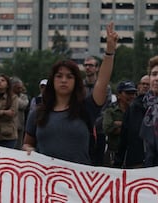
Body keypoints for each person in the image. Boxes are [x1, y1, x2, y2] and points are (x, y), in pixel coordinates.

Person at [22, 22, 118, 165]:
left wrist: (109, 52)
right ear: (52, 80)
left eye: (69, 76)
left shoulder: (86, 109)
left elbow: (102, 82)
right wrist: (28, 150)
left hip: (77, 182)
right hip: (45, 181)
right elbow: (27, 144)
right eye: (59, 76)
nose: (64, 80)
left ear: (76, 81)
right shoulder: (37, 113)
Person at [102, 80, 137, 167]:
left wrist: (118, 124)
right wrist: (127, 127)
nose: (131, 96)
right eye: (128, 93)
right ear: (119, 95)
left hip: (132, 154)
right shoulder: (110, 110)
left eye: (133, 93)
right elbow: (107, 128)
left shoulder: (137, 111)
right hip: (114, 152)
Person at [11, 77, 29, 149]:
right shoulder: (7, 96)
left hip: (20, 125)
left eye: (21, 87)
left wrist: (13, 97)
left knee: (18, 147)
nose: (20, 89)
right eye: (18, 88)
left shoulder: (23, 96)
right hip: (10, 126)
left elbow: (23, 105)